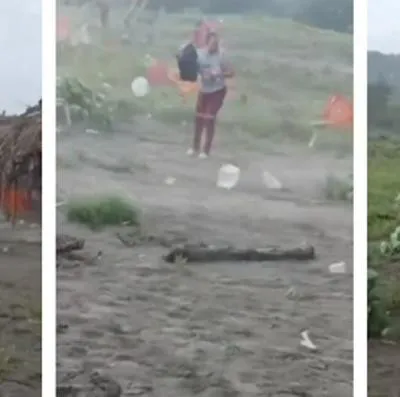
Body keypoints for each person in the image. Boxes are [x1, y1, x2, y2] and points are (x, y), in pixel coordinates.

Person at [187, 31, 234, 158]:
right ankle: (194, 147)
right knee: (199, 119)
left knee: (209, 118)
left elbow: (231, 72)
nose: (214, 46)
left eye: (216, 43)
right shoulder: (200, 54)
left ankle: (205, 150)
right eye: (212, 43)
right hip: (204, 90)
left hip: (218, 91)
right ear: (207, 43)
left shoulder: (222, 55)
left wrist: (218, 74)